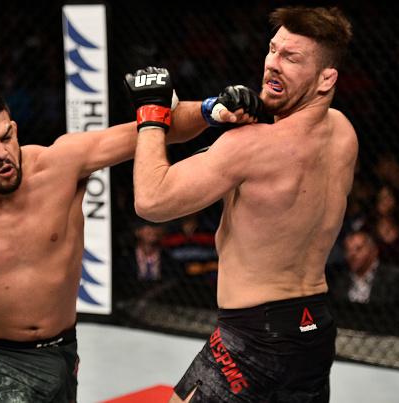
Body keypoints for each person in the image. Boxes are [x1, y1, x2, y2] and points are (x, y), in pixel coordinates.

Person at [0, 77, 210, 402]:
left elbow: (157, 128)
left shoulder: (60, 165)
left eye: (7, 137)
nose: (3, 153)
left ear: (14, 127)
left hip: (62, 349)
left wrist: (214, 108)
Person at [127, 6, 355, 402]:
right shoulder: (343, 133)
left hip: (253, 338)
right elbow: (290, 140)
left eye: (291, 57)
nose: (272, 64)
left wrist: (151, 112)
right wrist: (215, 110)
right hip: (314, 333)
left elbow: (151, 199)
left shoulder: (249, 147)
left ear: (326, 78)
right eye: (272, 49)